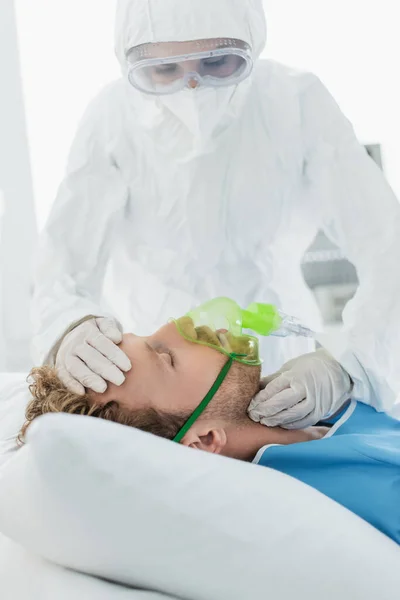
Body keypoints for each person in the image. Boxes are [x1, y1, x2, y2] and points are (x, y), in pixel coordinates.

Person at [32, 0, 400, 431]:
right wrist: (66, 327)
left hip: (287, 357)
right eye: (165, 69)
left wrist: (352, 362)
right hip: (159, 395)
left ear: (252, 44)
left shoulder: (296, 104)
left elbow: (387, 246)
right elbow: (61, 270)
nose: (192, 89)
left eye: (217, 62)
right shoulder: (111, 119)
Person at [19, 311, 400, 545]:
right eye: (165, 357)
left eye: (151, 333)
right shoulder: (356, 496)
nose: (176, 324)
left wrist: (353, 367)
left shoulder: (323, 397)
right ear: (203, 441)